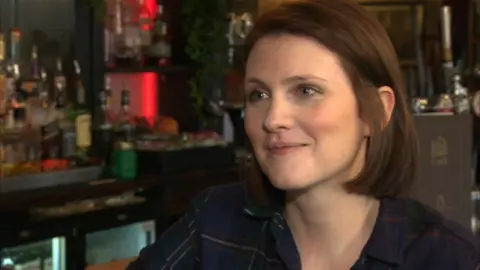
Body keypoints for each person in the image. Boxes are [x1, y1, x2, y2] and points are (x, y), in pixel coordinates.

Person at [128, 0, 480, 269]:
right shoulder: (214, 223)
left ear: (376, 112)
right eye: (258, 95)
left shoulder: (447, 258)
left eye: (306, 91)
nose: (273, 119)